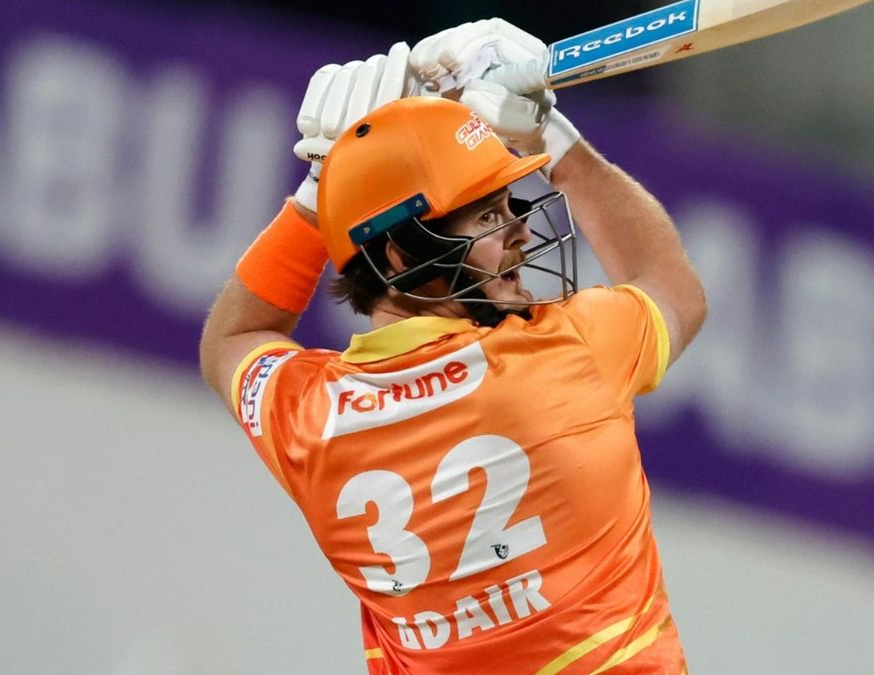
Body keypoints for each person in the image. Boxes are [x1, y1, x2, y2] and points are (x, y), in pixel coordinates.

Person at [199, 20, 706, 675]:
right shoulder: (567, 352)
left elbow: (232, 336)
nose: (522, 232)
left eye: (509, 206)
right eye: (488, 215)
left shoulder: (309, 420)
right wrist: (553, 137)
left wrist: (319, 194)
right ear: (398, 255)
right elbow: (671, 286)